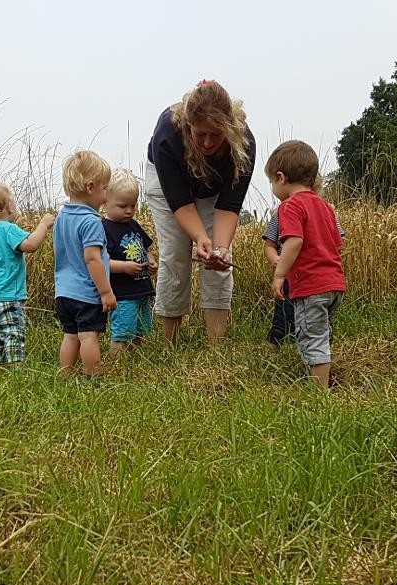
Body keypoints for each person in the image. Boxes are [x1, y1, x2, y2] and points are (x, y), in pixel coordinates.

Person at [144, 79, 256, 345]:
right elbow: (180, 203)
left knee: (220, 258)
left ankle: (216, 344)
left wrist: (217, 246)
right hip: (168, 188)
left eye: (216, 135)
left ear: (228, 127)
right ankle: (169, 342)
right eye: (200, 134)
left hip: (213, 189)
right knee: (175, 254)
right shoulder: (167, 135)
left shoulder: (244, 145)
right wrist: (199, 237)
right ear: (188, 126)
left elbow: (229, 207)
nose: (207, 143)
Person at [266, 141, 346, 388]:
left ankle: (318, 393)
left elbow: (294, 241)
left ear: (281, 177)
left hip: (311, 287)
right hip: (335, 283)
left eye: (271, 181)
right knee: (322, 333)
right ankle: (322, 375)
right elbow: (337, 242)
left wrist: (280, 274)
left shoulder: (289, 207)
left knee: (312, 337)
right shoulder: (325, 207)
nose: (272, 187)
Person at [0, 179, 54, 367]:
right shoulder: (8, 229)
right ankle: (16, 373)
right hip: (6, 297)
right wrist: (43, 225)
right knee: (14, 334)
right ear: (9, 205)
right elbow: (31, 245)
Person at [53, 150, 115, 378]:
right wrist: (106, 292)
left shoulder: (62, 218)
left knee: (70, 335)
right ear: (90, 187)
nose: (106, 196)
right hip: (86, 294)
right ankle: (94, 377)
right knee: (89, 336)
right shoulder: (91, 221)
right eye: (105, 189)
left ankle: (65, 374)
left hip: (63, 292)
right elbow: (92, 258)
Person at [262, 200, 346, 348]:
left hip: (318, 278)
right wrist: (277, 260)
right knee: (284, 316)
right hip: (290, 277)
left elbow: (339, 242)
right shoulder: (281, 212)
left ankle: (316, 352)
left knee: (319, 320)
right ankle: (277, 345)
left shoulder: (326, 210)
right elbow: (269, 245)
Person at [103, 169, 157, 353]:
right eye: (123, 205)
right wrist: (124, 267)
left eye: (133, 205)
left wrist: (151, 261)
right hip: (122, 294)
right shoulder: (104, 229)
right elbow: (102, 262)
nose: (129, 210)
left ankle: (134, 362)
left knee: (140, 330)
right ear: (105, 202)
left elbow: (145, 248)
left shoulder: (133, 225)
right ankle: (117, 363)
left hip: (142, 289)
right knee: (123, 332)